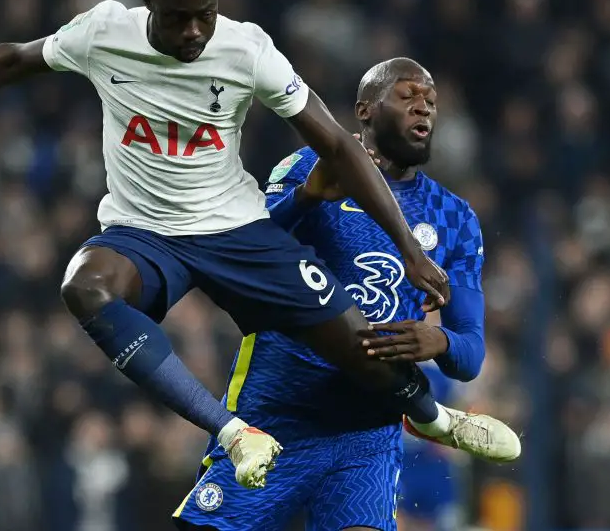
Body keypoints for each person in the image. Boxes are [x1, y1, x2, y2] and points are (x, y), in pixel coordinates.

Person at [0, 0, 519, 491]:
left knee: (361, 345)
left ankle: (433, 420)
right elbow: (16, 60)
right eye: (176, 17)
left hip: (235, 229)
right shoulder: (104, 33)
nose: (194, 30)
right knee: (85, 284)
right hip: (144, 233)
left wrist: (407, 247)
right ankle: (231, 432)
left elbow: (340, 145)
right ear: (148, 5)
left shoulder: (246, 47)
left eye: (204, 13)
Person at [174, 58, 518, 531]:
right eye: (408, 96)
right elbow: (241, 256)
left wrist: (438, 343)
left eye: (431, 101)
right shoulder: (307, 169)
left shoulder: (454, 218)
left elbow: (470, 352)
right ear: (365, 110)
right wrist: (305, 199)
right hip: (278, 414)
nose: (424, 109)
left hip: (367, 433)